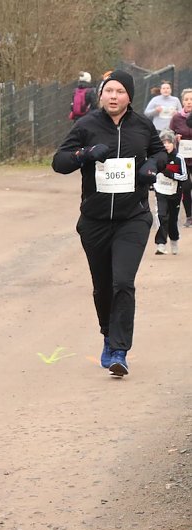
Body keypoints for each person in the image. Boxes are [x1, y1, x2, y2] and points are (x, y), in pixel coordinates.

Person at [52, 69, 166, 377]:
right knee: (103, 287)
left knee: (123, 283)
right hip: (95, 221)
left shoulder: (143, 125)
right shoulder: (86, 125)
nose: (113, 96)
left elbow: (159, 153)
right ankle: (107, 333)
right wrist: (84, 153)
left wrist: (152, 167)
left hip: (133, 218)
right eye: (108, 91)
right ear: (101, 95)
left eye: (119, 91)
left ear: (129, 96)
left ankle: (119, 350)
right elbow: (59, 162)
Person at [151, 129, 187, 254]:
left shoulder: (178, 158)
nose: (166, 145)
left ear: (173, 143)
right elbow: (151, 171)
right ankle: (161, 244)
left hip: (174, 193)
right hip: (160, 191)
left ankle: (174, 240)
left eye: (168, 142)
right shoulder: (157, 157)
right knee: (162, 216)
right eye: (163, 142)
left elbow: (184, 176)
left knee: (172, 219)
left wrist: (171, 174)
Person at [167, 87, 192, 228]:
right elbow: (168, 136)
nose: (189, 102)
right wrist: (175, 138)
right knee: (186, 187)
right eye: (186, 99)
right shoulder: (177, 117)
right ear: (182, 102)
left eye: (191, 99)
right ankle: (189, 216)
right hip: (182, 158)